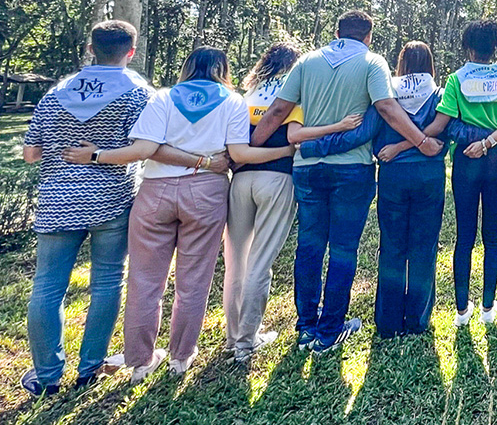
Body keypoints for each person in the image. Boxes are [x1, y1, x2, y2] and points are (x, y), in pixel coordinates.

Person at [64, 47, 293, 381]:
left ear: (187, 67)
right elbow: (238, 153)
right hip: (207, 192)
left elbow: (143, 150)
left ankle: (140, 362)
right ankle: (180, 358)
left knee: (143, 282)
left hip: (155, 191)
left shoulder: (163, 97)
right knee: (194, 281)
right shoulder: (232, 102)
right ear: (223, 69)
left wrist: (96, 155)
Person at [252, 11, 441, 354]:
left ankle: (306, 324)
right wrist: (421, 141)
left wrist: (250, 148)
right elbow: (385, 107)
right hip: (351, 169)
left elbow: (278, 110)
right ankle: (330, 329)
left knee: (309, 246)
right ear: (368, 36)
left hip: (307, 167)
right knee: (342, 248)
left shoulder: (307, 62)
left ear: (336, 32)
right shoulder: (372, 62)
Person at [19, 21, 158, 395]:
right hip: (111, 199)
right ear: (131, 51)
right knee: (107, 282)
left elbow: (31, 154)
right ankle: (89, 369)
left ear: (90, 48)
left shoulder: (56, 93)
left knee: (47, 287)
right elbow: (146, 146)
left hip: (57, 201)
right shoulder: (138, 93)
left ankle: (47, 376)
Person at [296, 41, 449, 338]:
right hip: (429, 176)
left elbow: (362, 133)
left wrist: (314, 145)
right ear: (430, 64)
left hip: (392, 176)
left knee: (392, 246)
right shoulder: (440, 95)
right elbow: (449, 131)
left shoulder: (386, 94)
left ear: (401, 63)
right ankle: (417, 321)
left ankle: (388, 323)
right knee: (424, 246)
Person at [426, 21, 497, 326]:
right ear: (495, 47)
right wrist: (488, 142)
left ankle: (461, 310)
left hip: (466, 161)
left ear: (468, 47)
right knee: (492, 235)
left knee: (464, 236)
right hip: (496, 160)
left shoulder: (456, 79)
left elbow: (445, 122)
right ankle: (487, 307)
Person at [223, 42, 304, 365]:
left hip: (240, 180)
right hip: (277, 179)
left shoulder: (246, 96)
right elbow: (296, 136)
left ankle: (232, 337)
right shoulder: (294, 95)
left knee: (236, 263)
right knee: (261, 263)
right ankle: (247, 341)